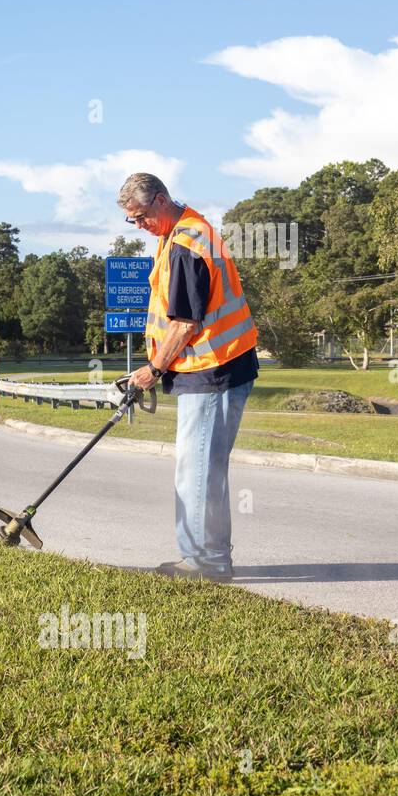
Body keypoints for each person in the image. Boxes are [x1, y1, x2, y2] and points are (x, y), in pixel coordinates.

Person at [117, 173, 259, 581]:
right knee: (206, 466)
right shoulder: (187, 229)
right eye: (132, 220)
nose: (139, 226)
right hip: (220, 365)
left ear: (161, 200)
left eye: (141, 216)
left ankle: (205, 562)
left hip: (213, 369)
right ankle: (211, 556)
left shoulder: (185, 245)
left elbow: (183, 323)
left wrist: (154, 368)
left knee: (196, 468)